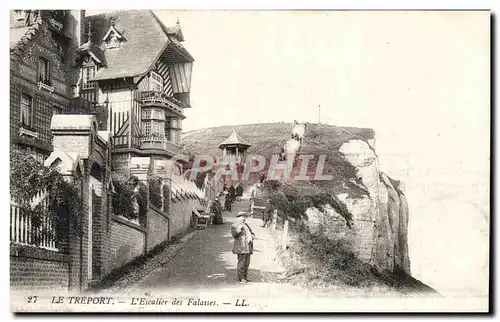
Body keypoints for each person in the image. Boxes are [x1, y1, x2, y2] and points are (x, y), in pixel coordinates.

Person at [231, 212, 255, 283]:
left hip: (248, 246)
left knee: (247, 263)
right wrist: (239, 229)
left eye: (245, 217)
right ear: (238, 218)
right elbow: (234, 234)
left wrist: (253, 235)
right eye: (242, 217)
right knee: (241, 263)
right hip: (241, 247)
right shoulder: (235, 225)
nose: (244, 218)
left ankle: (245, 277)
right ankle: (241, 278)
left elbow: (251, 232)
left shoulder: (246, 225)